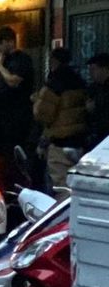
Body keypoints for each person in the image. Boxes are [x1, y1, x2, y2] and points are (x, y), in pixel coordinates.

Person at [33, 46, 89, 189]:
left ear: (54, 61)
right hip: (79, 142)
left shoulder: (54, 83)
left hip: (59, 143)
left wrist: (36, 99)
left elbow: (43, 114)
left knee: (61, 187)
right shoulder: (80, 81)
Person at [0, 26, 36, 193]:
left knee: (14, 158)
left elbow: (12, 81)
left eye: (0, 44)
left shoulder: (22, 60)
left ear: (8, 42)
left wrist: (0, 66)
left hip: (17, 119)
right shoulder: (1, 60)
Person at [86, 52, 109, 148]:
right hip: (96, 134)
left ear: (104, 69)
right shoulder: (93, 88)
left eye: (94, 69)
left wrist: (96, 105)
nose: (90, 73)